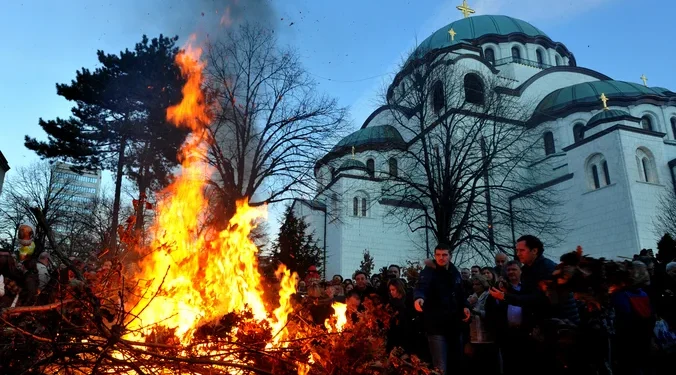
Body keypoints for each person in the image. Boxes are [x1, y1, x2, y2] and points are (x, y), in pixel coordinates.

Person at [414, 243, 470, 374]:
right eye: (438, 255)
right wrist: (419, 298)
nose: (441, 258)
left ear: (450, 256)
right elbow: (422, 286)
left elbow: (460, 293)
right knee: (440, 366)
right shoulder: (428, 271)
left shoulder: (454, 272)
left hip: (454, 325)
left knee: (456, 363)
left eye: (444, 255)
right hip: (436, 325)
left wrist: (465, 306)